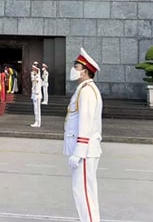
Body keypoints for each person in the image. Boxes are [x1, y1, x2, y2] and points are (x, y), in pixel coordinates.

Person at [65, 49, 103, 222]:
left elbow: (85, 123)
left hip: (86, 152)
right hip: (86, 150)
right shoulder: (84, 90)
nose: (74, 69)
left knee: (84, 192)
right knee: (84, 191)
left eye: (77, 66)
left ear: (85, 71)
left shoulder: (87, 91)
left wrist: (79, 151)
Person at [30, 63, 42, 128]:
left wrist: (36, 74)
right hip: (34, 94)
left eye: (34, 69)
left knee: (38, 109)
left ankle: (38, 122)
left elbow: (37, 85)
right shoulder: (34, 76)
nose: (33, 71)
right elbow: (32, 80)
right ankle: (36, 121)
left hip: (37, 95)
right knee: (35, 109)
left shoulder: (38, 77)